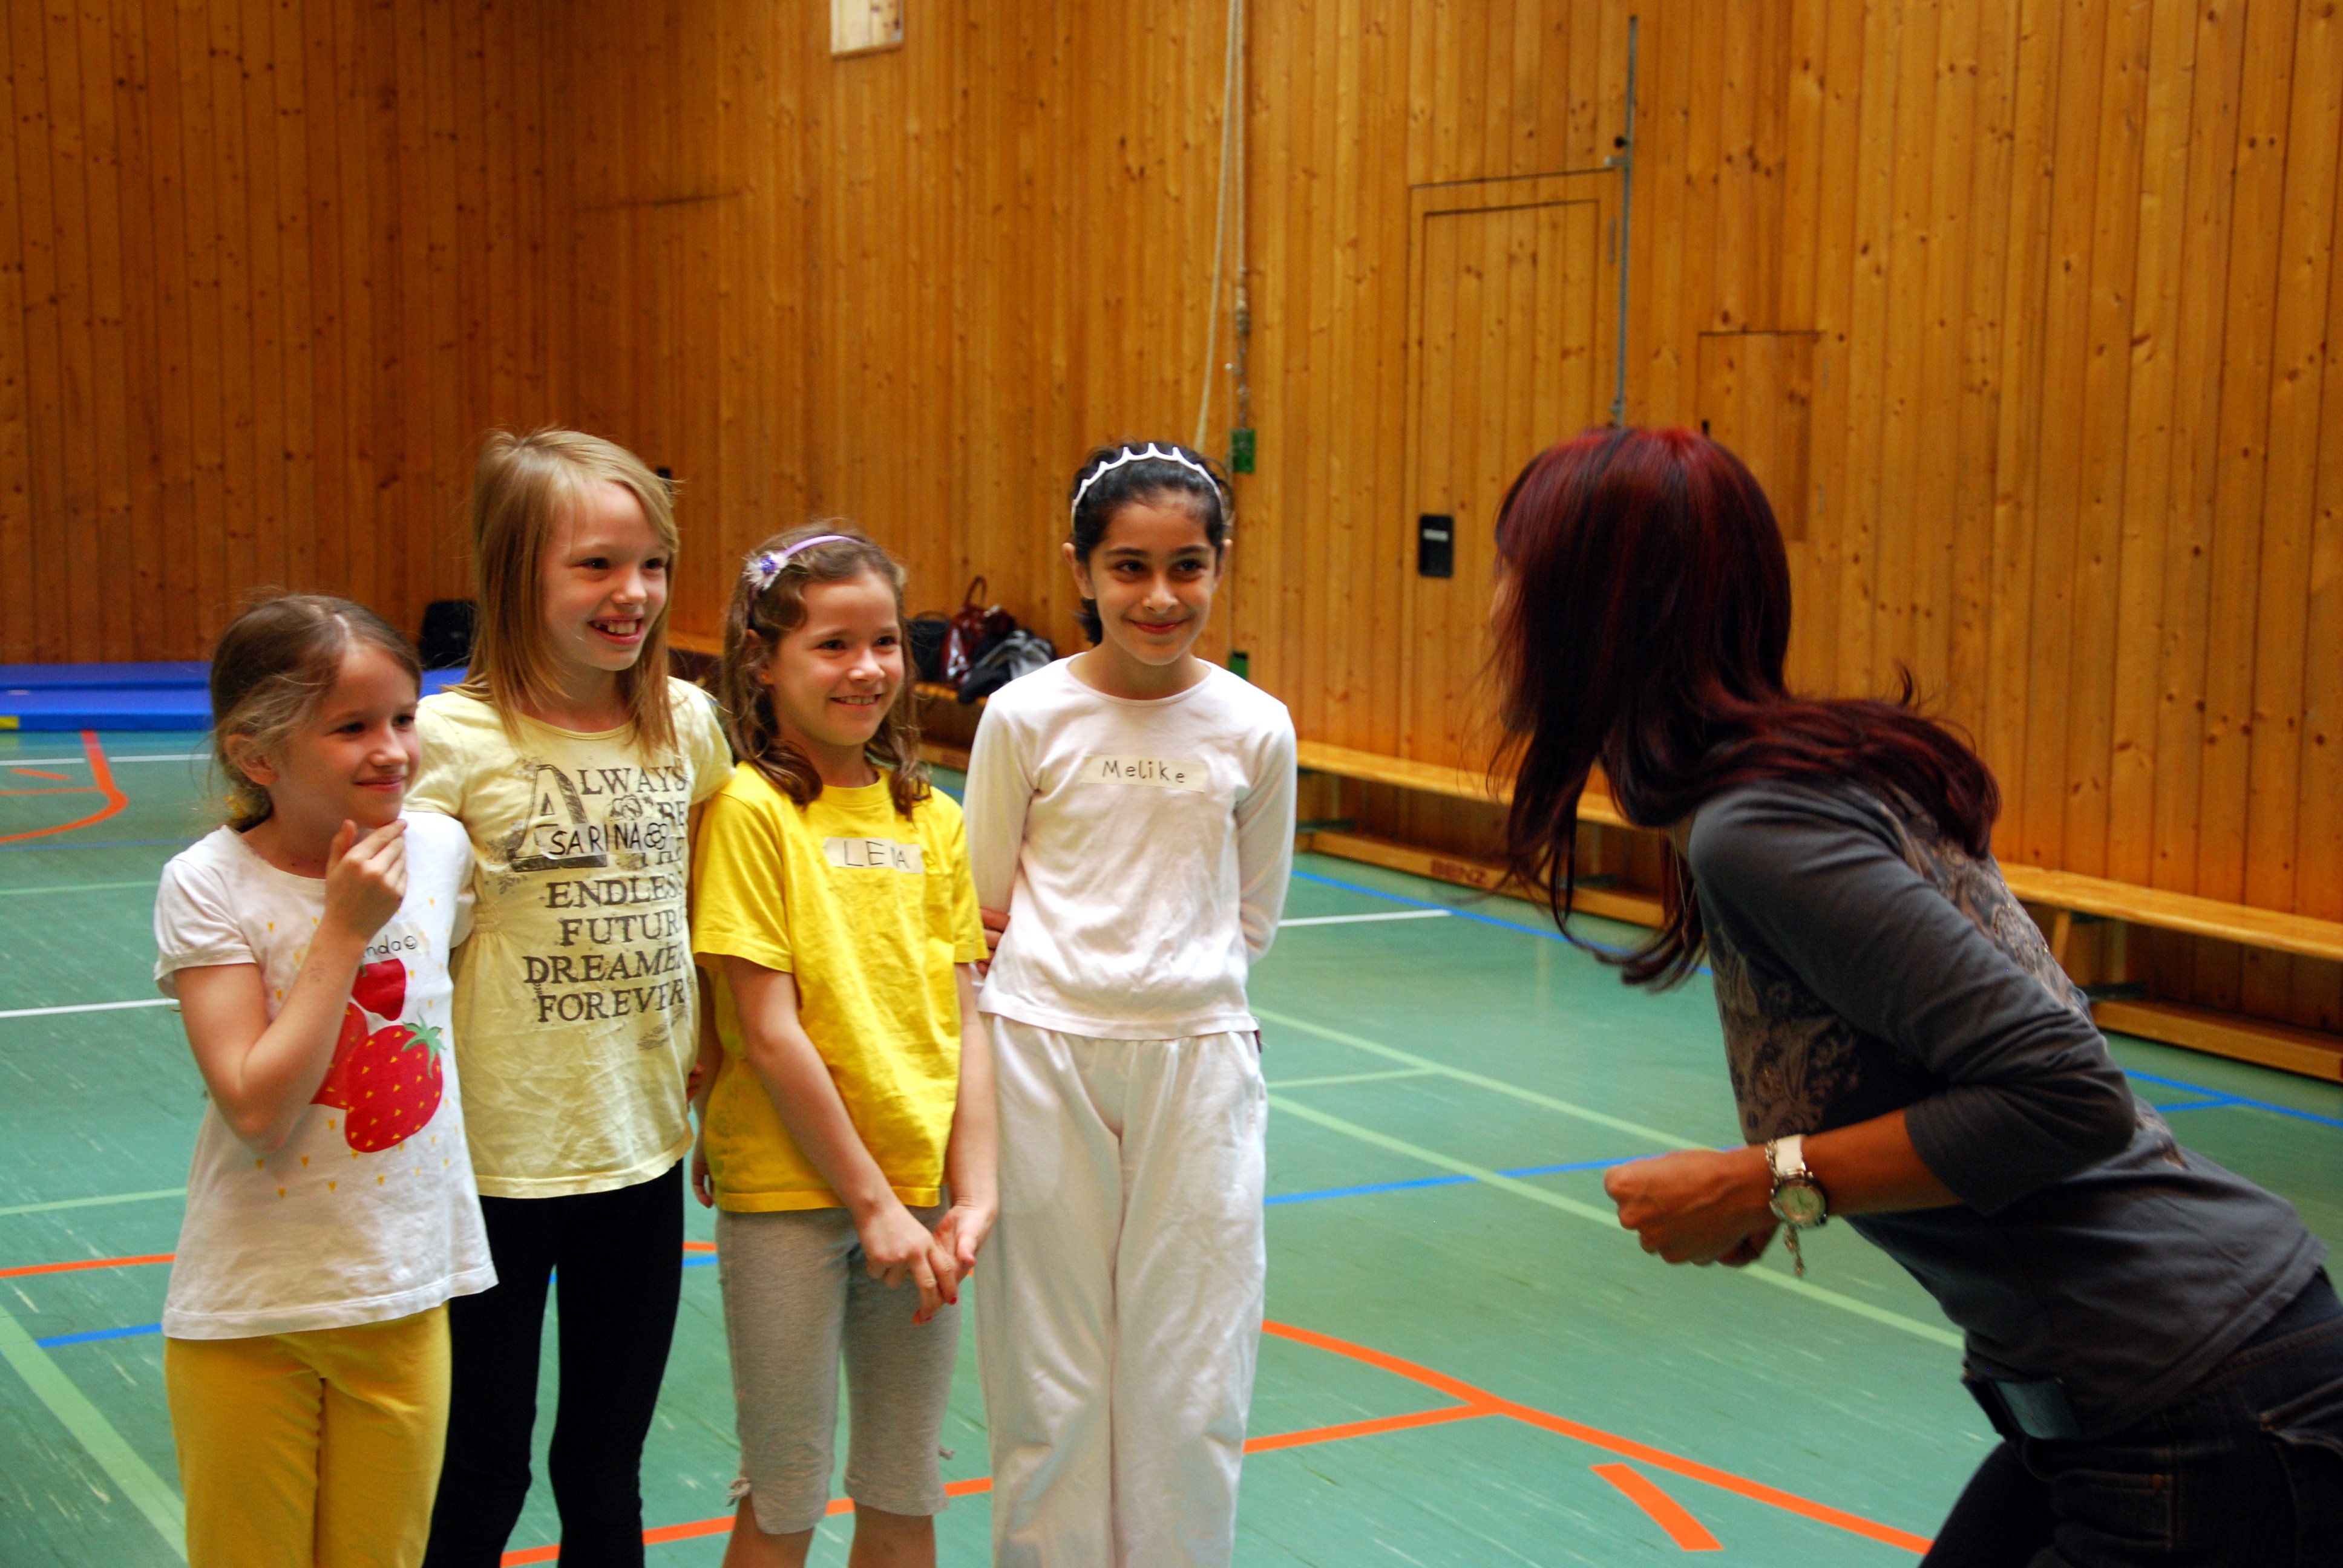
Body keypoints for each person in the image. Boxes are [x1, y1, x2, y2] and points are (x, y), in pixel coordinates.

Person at [1487, 425, 2343, 1566]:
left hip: (2201, 1406)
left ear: (1592, 614)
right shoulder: (1783, 787)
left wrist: (1761, 1180)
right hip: (2143, 1392)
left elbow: (2064, 1092)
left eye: (1514, 574)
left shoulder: (1760, 828)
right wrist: (1772, 1191)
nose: (1495, 610)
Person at [962, 441, 1297, 1567]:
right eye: (1130, 568)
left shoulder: (1257, 726)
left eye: (1187, 567)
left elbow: (1252, 916)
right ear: (1083, 570)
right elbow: (986, 906)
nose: (1160, 597)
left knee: (1191, 1381)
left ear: (1220, 565)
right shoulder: (1024, 716)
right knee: (1048, 1381)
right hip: (1039, 1055)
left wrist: (1173, 984)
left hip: (1198, 1067)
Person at [412, 429, 733, 1567]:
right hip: (491, 1164)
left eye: (652, 564)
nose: (633, 593)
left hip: (638, 1153)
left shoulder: (685, 724)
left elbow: (715, 904)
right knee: (478, 1469)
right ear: (516, 573)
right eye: (597, 565)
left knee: (604, 1472)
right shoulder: (447, 739)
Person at [154, 595, 493, 1568]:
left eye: (403, 718)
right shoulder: (208, 883)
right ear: (257, 755)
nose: (391, 750)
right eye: (351, 728)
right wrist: (343, 930)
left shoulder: (440, 849)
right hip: (255, 1312)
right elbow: (257, 1107)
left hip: (402, 1292)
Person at [686, 525, 995, 1568]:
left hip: (919, 1195)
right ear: (761, 661)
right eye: (832, 645)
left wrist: (974, 1192)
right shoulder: (749, 811)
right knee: (784, 1494)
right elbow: (769, 1034)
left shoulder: (933, 819)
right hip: (792, 1194)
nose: (866, 669)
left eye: (885, 642)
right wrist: (871, 1206)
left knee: (906, 1487)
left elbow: (965, 1016)